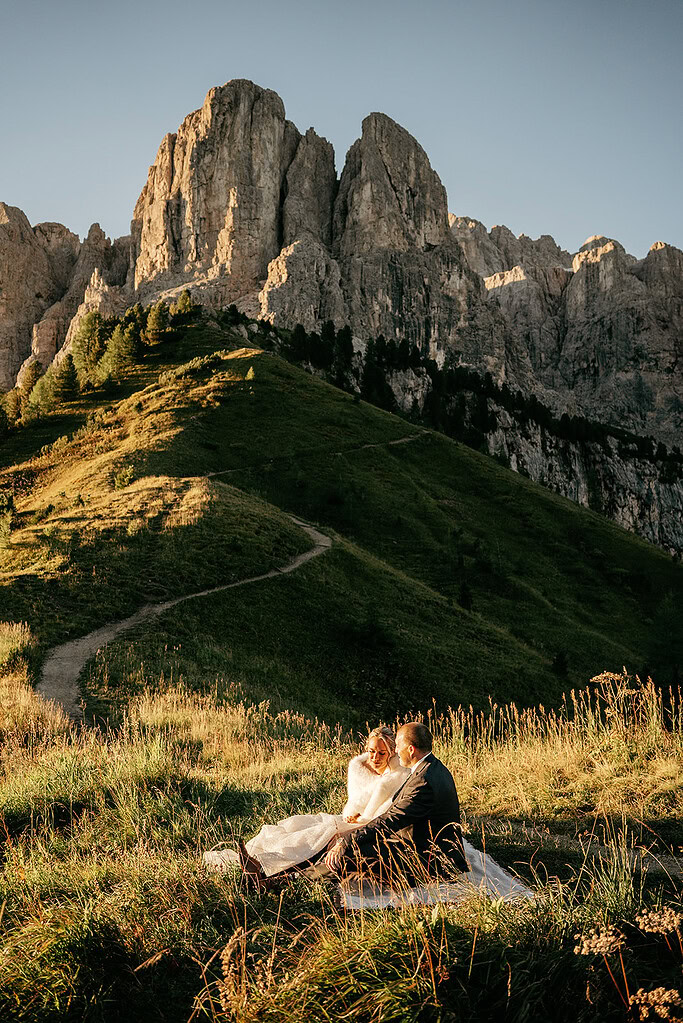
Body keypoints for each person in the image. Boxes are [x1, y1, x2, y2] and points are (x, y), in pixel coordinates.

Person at [202, 726, 409, 880]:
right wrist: (351, 814)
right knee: (296, 825)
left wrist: (359, 820)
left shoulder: (394, 778)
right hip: (348, 819)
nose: (375, 757)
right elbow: (353, 802)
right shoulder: (359, 768)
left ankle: (266, 866)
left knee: (321, 835)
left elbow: (383, 816)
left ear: (392, 753)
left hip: (365, 827)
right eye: (372, 751)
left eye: (382, 753)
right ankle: (255, 855)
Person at [325, 721, 469, 885]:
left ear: (411, 750)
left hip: (429, 861)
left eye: (398, 746)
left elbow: (391, 821)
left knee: (347, 855)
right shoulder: (434, 767)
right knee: (363, 843)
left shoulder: (423, 782)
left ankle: (307, 877)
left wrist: (346, 840)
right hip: (422, 845)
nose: (395, 751)